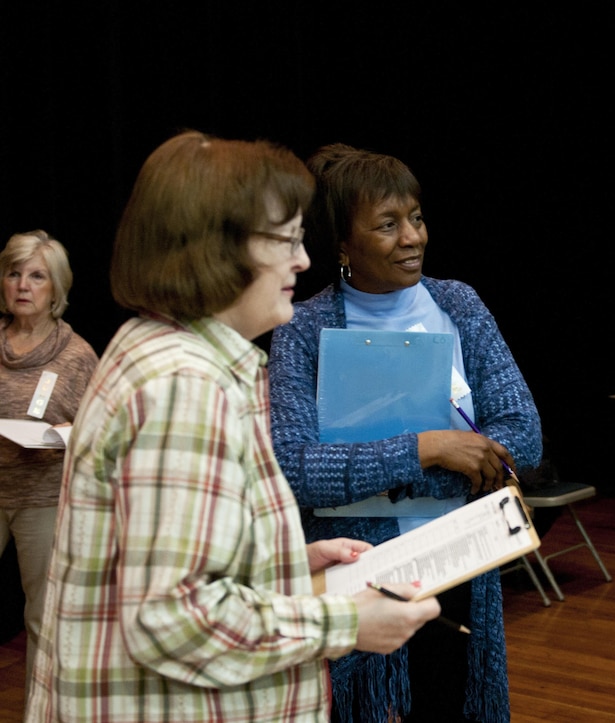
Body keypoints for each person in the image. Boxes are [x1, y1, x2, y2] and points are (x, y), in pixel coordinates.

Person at [25, 131, 440, 723]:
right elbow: (174, 619)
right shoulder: (184, 386)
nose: (302, 259)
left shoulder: (162, 351)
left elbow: (162, 566)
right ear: (215, 250)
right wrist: (348, 623)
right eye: (285, 240)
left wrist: (281, 564)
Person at [268, 144, 542, 723]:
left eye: (415, 218)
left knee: (450, 704)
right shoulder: (303, 330)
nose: (412, 237)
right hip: (359, 574)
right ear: (342, 244)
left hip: (460, 563)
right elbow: (294, 469)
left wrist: (431, 468)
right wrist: (430, 448)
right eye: (387, 225)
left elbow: (524, 432)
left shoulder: (458, 303)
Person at [0, 230, 98, 693]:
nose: (23, 285)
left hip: (43, 499)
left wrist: (59, 436)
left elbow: (101, 429)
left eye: (36, 276)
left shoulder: (77, 355)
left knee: (42, 614)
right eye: (14, 273)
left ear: (56, 288)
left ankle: (42, 709)